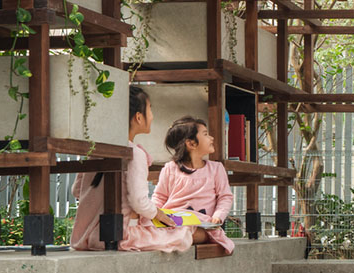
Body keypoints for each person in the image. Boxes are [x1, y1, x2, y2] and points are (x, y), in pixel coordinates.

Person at [69, 86, 193, 253]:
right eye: (150, 109)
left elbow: (76, 191)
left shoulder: (96, 150)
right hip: (120, 236)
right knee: (184, 232)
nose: (152, 116)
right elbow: (139, 201)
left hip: (84, 238)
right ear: (139, 117)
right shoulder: (135, 153)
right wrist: (158, 214)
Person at [153, 116, 235, 254]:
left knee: (191, 233)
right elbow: (159, 196)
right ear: (191, 144)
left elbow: (225, 197)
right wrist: (154, 213)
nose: (211, 138)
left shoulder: (216, 169)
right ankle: (166, 238)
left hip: (202, 226)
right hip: (172, 223)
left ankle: (167, 240)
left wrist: (218, 215)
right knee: (157, 231)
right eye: (205, 134)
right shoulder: (170, 168)